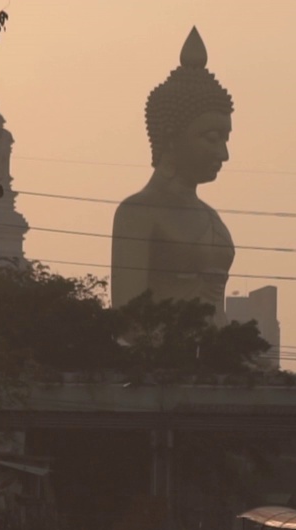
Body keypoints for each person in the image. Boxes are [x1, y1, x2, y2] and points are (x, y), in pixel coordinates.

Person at [111, 27, 236, 323]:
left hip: (218, 361)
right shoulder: (138, 212)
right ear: (170, 138)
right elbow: (128, 320)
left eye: (225, 138)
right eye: (211, 137)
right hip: (162, 362)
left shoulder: (211, 218)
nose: (223, 154)